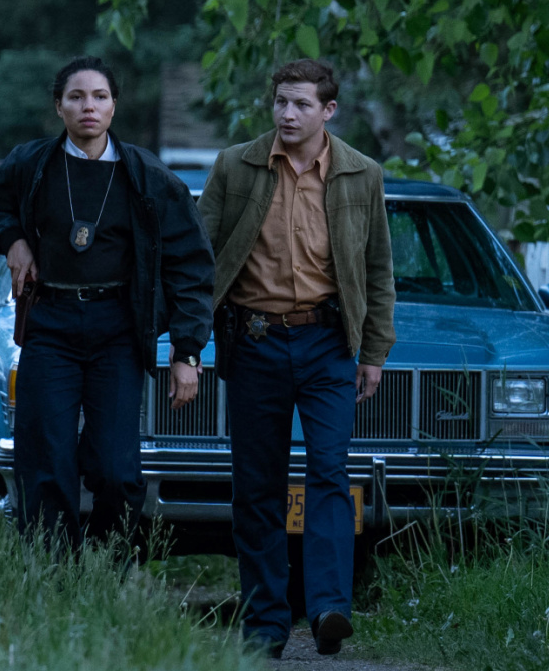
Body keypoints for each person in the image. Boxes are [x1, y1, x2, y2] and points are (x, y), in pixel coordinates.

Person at [0, 56, 214, 552]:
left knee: (115, 467)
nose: (88, 106)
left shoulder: (145, 175)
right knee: (47, 460)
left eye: (99, 97)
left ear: (113, 107)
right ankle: (56, 574)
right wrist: (14, 239)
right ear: (59, 106)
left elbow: (192, 262)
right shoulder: (32, 163)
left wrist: (188, 350)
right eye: (76, 97)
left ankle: (106, 563)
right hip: (50, 323)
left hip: (118, 327)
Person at [197, 59, 395, 658]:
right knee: (257, 485)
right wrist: (186, 339)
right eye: (281, 102)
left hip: (328, 342)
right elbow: (198, 251)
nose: (287, 114)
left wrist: (375, 352)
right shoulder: (238, 165)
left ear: (328, 110)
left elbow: (378, 269)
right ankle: (266, 624)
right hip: (253, 339)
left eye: (302, 104)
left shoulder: (362, 174)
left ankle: (330, 605)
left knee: (330, 473)